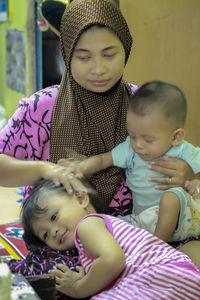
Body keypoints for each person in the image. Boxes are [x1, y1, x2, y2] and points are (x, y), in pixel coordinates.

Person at [0, 0, 199, 279]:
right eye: (83, 57)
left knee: (191, 267)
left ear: (125, 50)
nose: (98, 69)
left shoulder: (143, 104)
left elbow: (185, 154)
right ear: (67, 53)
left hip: (146, 234)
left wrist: (188, 175)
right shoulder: (43, 108)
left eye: (109, 54)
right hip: (67, 243)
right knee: (61, 279)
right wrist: (46, 169)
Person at [67, 81, 200, 243]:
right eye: (133, 135)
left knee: (171, 197)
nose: (138, 145)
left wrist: (195, 181)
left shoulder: (183, 150)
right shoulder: (130, 149)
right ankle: (146, 246)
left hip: (184, 218)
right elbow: (103, 160)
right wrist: (80, 167)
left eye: (148, 140)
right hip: (145, 221)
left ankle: (157, 248)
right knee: (106, 224)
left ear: (175, 137)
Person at [21, 179, 200, 299]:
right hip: (174, 280)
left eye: (53, 217)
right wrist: (89, 277)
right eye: (45, 235)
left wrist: (78, 288)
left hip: (161, 276)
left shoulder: (87, 224)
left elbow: (113, 260)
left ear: (81, 198)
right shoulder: (94, 234)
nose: (53, 232)